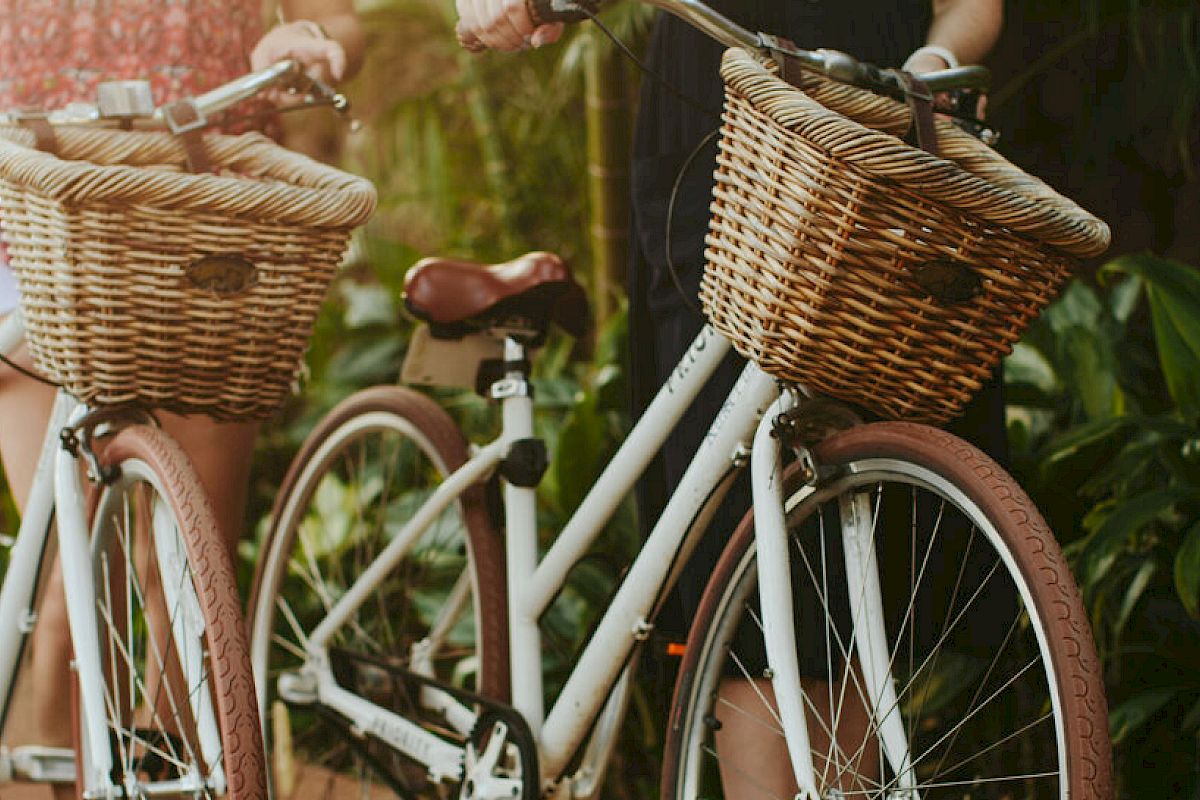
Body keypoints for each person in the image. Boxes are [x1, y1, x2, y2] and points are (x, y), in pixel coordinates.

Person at [458, 0, 1003, 794]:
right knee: (739, 529)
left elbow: (970, 5)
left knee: (861, 568)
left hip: (887, 129)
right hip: (725, 125)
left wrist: (935, 64)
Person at [0, 0, 363, 786]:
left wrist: (313, 43)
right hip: (40, 226)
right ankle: (66, 778)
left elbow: (337, 22)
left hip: (208, 234)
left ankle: (179, 775)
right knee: (68, 582)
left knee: (190, 579)